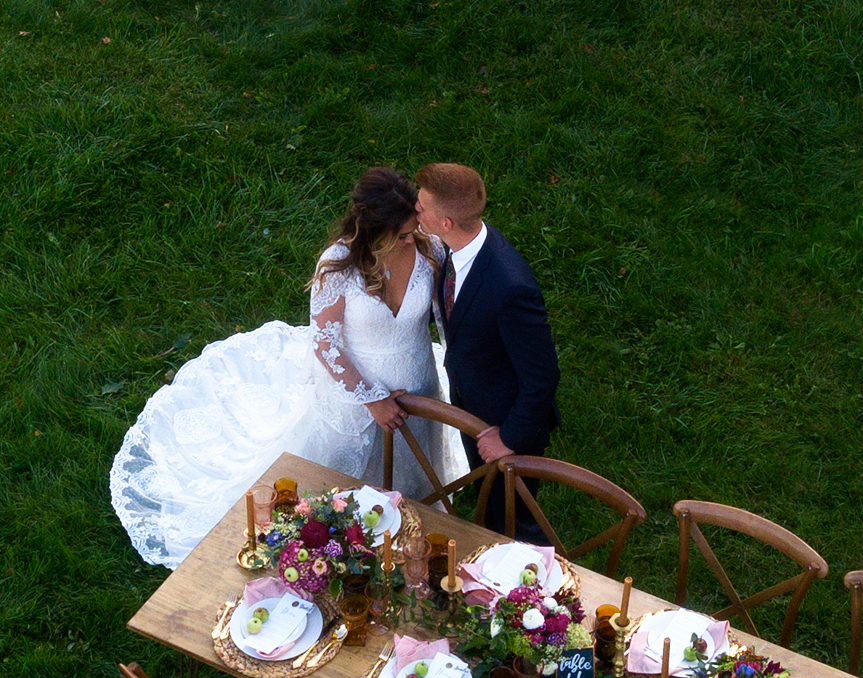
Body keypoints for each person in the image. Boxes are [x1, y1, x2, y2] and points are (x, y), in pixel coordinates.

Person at [110, 167, 466, 569]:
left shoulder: (430, 250)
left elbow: (447, 316)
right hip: (355, 398)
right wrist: (372, 400)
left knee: (415, 474)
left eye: (412, 229)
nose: (411, 239)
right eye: (400, 235)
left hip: (417, 382)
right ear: (372, 231)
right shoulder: (338, 267)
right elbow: (325, 344)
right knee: (337, 490)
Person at [413, 162, 561, 541]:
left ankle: (530, 583)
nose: (415, 209)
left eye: (422, 205)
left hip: (504, 421)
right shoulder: (456, 250)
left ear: (445, 222)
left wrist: (509, 437)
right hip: (472, 401)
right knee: (488, 499)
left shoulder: (510, 287)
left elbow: (542, 375)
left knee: (515, 518)